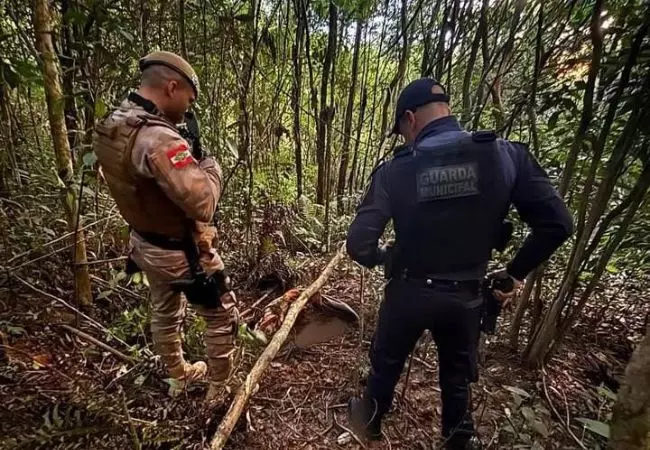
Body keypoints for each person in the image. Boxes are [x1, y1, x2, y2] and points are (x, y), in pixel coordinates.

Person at [345, 78, 573, 449]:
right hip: (466, 297)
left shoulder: (395, 170)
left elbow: (358, 244)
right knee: (456, 378)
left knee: (385, 363)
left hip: (408, 293)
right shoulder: (504, 155)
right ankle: (457, 438)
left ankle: (369, 421)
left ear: (410, 119)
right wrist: (512, 273)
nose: (405, 139)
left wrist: (386, 257)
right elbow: (558, 224)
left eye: (402, 131)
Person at [93, 51, 238, 401]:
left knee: (164, 309)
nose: (188, 109)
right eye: (188, 99)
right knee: (221, 314)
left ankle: (179, 374)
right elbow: (203, 202)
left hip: (144, 245)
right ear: (172, 87)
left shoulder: (113, 123)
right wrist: (211, 167)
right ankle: (220, 389)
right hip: (179, 251)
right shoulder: (159, 139)